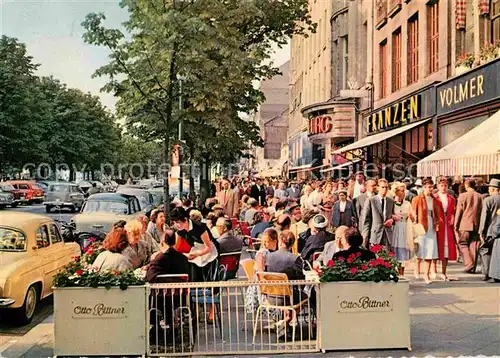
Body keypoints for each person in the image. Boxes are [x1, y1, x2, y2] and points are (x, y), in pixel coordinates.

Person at [170, 207, 219, 282]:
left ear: (185, 219)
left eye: (178, 222)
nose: (176, 225)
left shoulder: (200, 227)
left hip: (209, 250)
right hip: (195, 250)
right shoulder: (179, 231)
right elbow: (177, 247)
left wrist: (197, 254)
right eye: (174, 223)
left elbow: (208, 247)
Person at [412, 178, 441, 284]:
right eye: (428, 187)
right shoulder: (417, 199)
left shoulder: (435, 200)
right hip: (421, 225)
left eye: (431, 187)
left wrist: (437, 222)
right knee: (420, 249)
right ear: (423, 187)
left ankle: (426, 275)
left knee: (430, 250)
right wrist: (415, 226)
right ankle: (417, 269)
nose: (430, 189)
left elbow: (437, 214)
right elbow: (413, 214)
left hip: (431, 225)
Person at [455, 178, 484, 273]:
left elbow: (459, 211)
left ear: (466, 185)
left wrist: (456, 224)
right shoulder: (480, 197)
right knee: (474, 244)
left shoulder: (462, 196)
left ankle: (469, 263)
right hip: (477, 223)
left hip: (465, 223)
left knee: (462, 243)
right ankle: (473, 266)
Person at [434, 177, 458, 281]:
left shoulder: (451, 199)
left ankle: (444, 271)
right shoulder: (434, 197)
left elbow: (453, 211)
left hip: (447, 225)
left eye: (445, 185)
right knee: (435, 246)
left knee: (446, 248)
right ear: (438, 186)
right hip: (438, 224)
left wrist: (452, 217)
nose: (443, 187)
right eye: (441, 185)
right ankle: (433, 270)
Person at [362, 179, 395, 249]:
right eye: (382, 187)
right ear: (378, 188)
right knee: (375, 258)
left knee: (387, 257)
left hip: (387, 235)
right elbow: (366, 220)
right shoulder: (371, 200)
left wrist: (392, 220)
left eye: (386, 187)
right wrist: (365, 235)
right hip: (375, 235)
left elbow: (393, 215)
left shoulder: (391, 201)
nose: (385, 189)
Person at [479, 179, 500, 281]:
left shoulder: (488, 200)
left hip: (490, 230)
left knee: (485, 251)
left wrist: (481, 231)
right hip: (498, 231)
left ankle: (487, 273)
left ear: (492, 189)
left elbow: (484, 217)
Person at [391, 182, 414, 276]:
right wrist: (392, 216)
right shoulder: (391, 203)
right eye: (400, 190)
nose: (403, 193)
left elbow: (413, 217)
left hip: (404, 228)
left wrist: (411, 217)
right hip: (394, 228)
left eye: (404, 191)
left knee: (402, 251)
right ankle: (394, 272)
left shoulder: (407, 203)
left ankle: (402, 273)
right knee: (394, 251)